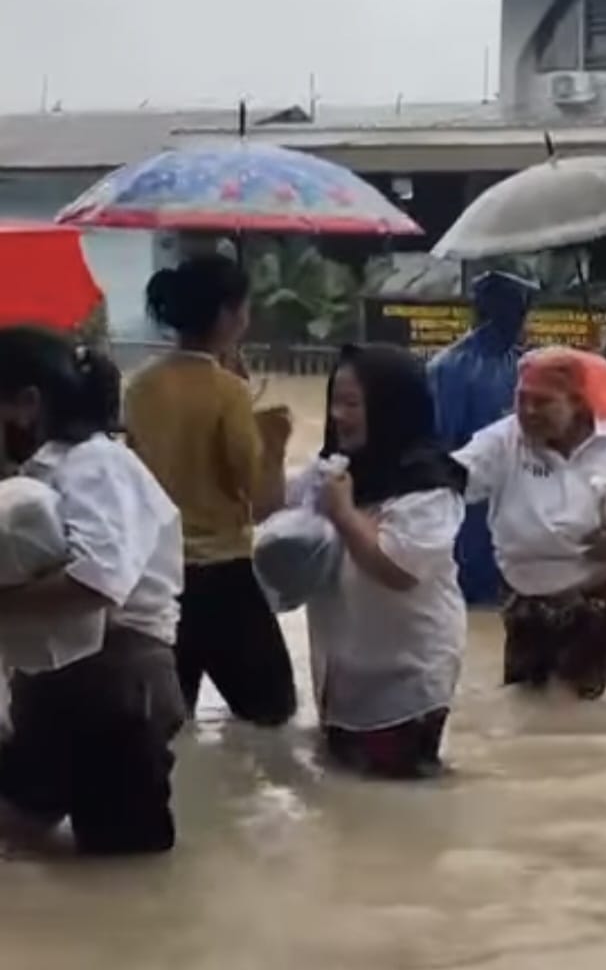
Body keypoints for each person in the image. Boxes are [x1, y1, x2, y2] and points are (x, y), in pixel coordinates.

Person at [0, 328, 184, 856]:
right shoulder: (37, 473)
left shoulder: (93, 464)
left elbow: (98, 580)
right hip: (65, 675)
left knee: (121, 863)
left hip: (118, 681)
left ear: (28, 404)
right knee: (26, 833)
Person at [453, 348, 606, 700]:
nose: (528, 412)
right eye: (521, 400)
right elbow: (452, 478)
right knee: (526, 699)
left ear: (578, 404)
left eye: (543, 402)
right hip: (524, 598)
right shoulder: (503, 440)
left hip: (598, 597)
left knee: (578, 706)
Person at [125, 255, 296, 725]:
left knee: (170, 726)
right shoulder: (228, 393)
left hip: (154, 577)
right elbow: (263, 503)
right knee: (273, 715)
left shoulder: (138, 387)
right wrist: (276, 444)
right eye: (244, 307)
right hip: (223, 579)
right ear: (227, 315)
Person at [288, 344, 466, 778]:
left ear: (392, 408)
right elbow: (264, 508)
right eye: (334, 401)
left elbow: (399, 571)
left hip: (407, 678)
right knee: (351, 801)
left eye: (352, 403)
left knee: (401, 804)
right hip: (344, 677)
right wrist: (267, 445)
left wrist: (345, 515)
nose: (337, 415)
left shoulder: (429, 486)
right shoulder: (336, 472)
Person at [428, 271, 536, 605]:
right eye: (520, 312)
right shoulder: (451, 367)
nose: (525, 321)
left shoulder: (522, 362)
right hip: (469, 496)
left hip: (516, 492)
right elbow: (440, 443)